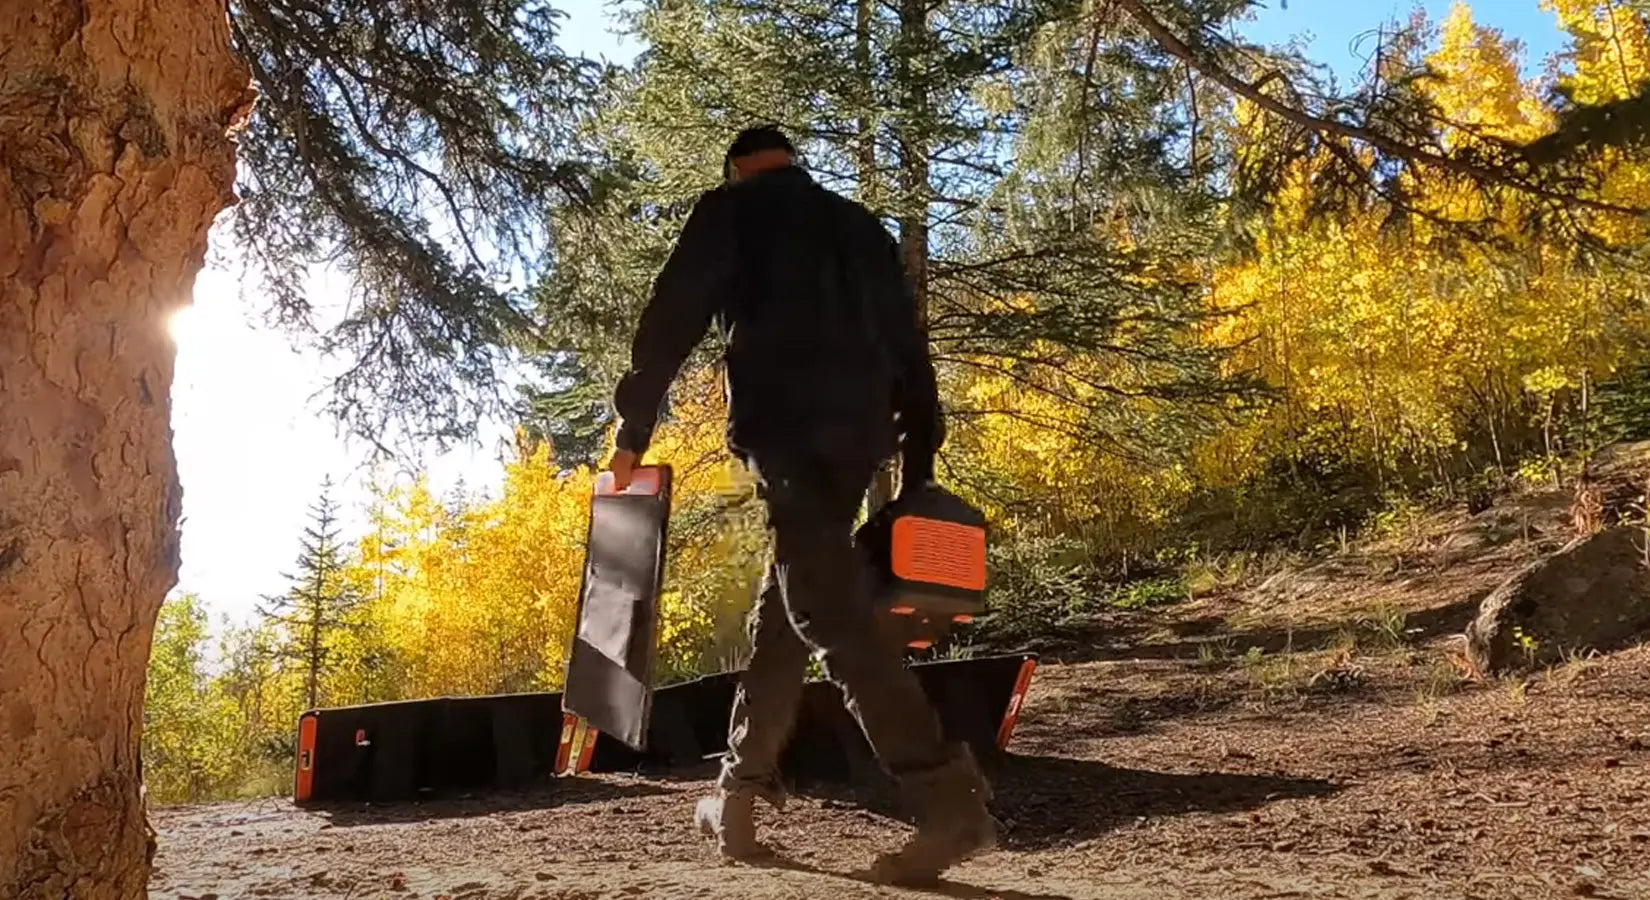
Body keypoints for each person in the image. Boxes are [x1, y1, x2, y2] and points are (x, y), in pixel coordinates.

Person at [604, 126, 995, 885]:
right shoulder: (861, 228)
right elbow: (909, 347)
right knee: (786, 613)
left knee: (823, 609)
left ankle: (948, 802)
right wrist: (920, 460)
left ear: (739, 169)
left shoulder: (732, 211)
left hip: (788, 440)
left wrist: (635, 427)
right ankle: (737, 798)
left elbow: (674, 313)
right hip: (857, 447)